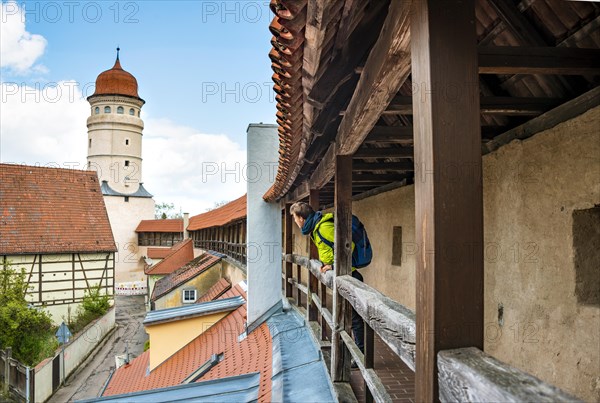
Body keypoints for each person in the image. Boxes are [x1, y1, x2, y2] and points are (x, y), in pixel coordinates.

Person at [290, 201, 365, 355]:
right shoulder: (316, 228)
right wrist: (327, 264)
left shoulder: (323, 228)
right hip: (343, 275)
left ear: (301, 218)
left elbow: (347, 245)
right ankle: (354, 352)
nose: (295, 222)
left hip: (349, 275)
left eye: (295, 218)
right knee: (347, 317)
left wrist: (334, 265)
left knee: (354, 319)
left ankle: (361, 354)